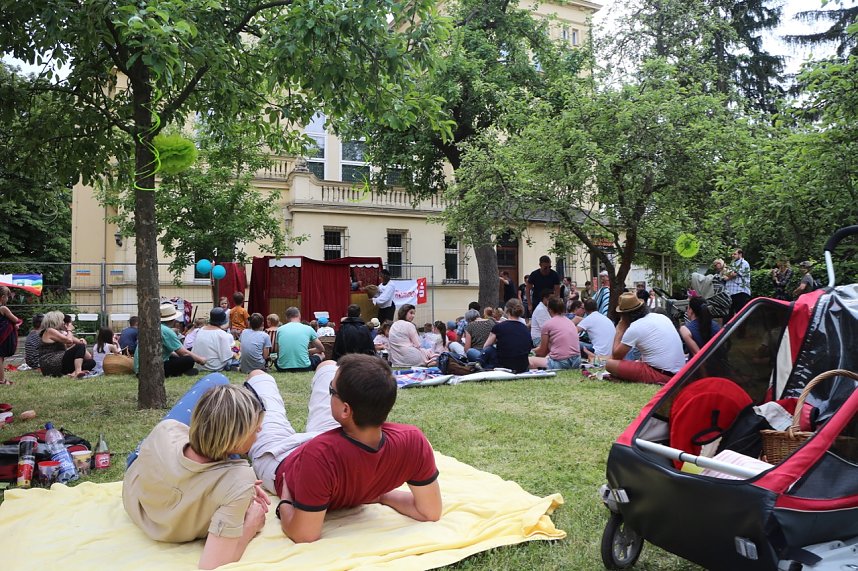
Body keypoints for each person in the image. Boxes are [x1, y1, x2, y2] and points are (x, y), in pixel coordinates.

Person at [246, 355, 442, 543]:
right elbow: (429, 511)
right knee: (328, 365)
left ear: (346, 410)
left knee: (258, 376)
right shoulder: (413, 440)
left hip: (281, 459)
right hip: (337, 433)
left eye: (332, 391)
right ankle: (328, 373)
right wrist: (382, 495)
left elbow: (304, 534)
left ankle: (260, 378)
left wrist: (286, 501)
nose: (330, 392)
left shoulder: (321, 454)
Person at [123, 382, 268, 569]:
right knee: (219, 377)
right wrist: (251, 524)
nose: (260, 431)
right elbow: (212, 564)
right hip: (167, 520)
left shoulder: (167, 429)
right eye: (255, 428)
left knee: (217, 379)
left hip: (139, 484)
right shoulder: (239, 478)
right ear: (236, 437)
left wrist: (240, 489)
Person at [606, 292, 686, 385]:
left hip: (662, 375)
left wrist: (619, 330)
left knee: (610, 364)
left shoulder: (635, 328)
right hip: (679, 373)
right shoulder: (661, 317)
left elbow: (616, 357)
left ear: (625, 315)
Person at [134, 303, 206, 377]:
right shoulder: (166, 331)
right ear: (174, 319)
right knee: (188, 360)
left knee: (176, 358)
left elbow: (168, 351)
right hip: (152, 370)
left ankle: (183, 372)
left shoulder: (151, 327)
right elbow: (183, 353)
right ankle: (183, 371)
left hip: (140, 369)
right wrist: (200, 359)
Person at [478, 298, 531, 373]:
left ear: (506, 310)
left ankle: (479, 363)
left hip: (503, 363)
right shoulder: (525, 329)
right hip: (522, 365)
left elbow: (486, 347)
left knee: (474, 351)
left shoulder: (498, 327)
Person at [39, 310, 96, 378]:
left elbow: (81, 343)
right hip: (51, 362)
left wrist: (81, 340)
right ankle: (78, 371)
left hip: (59, 363)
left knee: (91, 362)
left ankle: (73, 373)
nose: (63, 323)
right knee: (79, 347)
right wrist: (69, 330)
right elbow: (69, 340)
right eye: (62, 320)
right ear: (56, 321)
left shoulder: (59, 332)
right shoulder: (49, 331)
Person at [529, 296, 581, 370]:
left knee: (529, 361)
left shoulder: (547, 324)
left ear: (549, 309)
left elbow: (542, 351)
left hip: (561, 362)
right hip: (576, 361)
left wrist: (530, 351)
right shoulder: (570, 322)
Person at [275, 307, 324, 372]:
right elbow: (321, 349)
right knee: (321, 354)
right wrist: (308, 351)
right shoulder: (308, 328)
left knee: (276, 360)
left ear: (286, 317)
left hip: (282, 368)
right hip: (305, 367)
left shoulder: (279, 330)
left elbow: (278, 351)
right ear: (299, 315)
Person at [194, 308, 239, 372]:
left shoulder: (201, 330)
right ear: (223, 320)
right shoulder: (222, 335)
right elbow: (227, 356)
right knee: (234, 356)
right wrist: (235, 354)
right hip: (213, 367)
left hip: (199, 365)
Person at [0, 286, 22, 385]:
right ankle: (1, 380)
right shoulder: (3, 308)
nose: (8, 299)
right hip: (2, 336)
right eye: (7, 297)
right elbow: (15, 319)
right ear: (2, 297)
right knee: (0, 357)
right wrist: (15, 324)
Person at [724, 248, 752, 318]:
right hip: (731, 293)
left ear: (740, 254)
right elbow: (726, 273)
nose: (732, 255)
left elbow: (733, 274)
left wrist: (727, 276)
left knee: (740, 315)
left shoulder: (744, 263)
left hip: (740, 292)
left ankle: (741, 328)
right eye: (732, 254)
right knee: (728, 315)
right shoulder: (733, 264)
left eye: (735, 254)